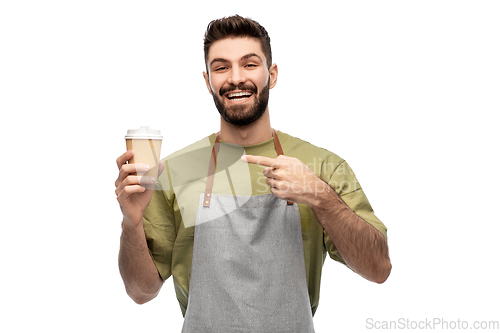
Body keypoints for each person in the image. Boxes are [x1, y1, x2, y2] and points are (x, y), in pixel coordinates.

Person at [115, 15, 391, 332]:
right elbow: (141, 292)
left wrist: (319, 195)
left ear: (271, 74)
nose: (235, 78)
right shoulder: (175, 171)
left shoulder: (321, 165)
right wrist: (131, 222)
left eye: (249, 64)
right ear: (208, 82)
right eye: (221, 67)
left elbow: (378, 269)